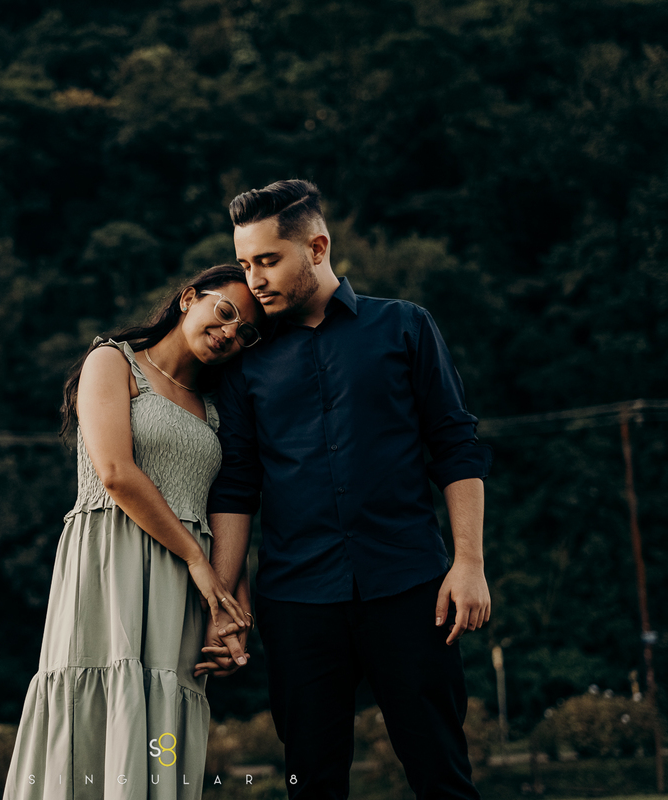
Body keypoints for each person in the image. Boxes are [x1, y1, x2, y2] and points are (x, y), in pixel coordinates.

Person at [196, 180, 492, 799]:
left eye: (268, 260)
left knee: (442, 773)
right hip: (298, 602)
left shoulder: (405, 326)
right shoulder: (246, 362)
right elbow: (236, 485)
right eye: (246, 264)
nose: (254, 279)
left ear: (318, 247)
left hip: (413, 589)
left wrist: (469, 563)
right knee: (312, 783)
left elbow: (455, 443)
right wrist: (225, 605)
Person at [3, 264, 265, 800]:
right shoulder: (112, 361)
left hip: (184, 591)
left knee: (159, 724)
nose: (230, 333)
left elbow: (225, 510)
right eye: (226, 312)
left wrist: (232, 610)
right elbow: (116, 474)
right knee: (95, 704)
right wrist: (197, 561)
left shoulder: (216, 409)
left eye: (245, 334)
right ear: (189, 297)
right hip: (110, 564)